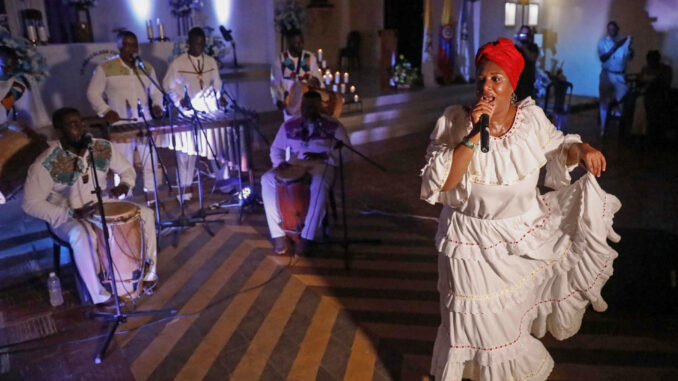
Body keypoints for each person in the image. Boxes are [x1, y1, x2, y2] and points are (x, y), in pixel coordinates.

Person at [421, 38, 620, 381]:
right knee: (474, 330)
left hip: (517, 242)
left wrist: (583, 149)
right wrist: (471, 136)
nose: (487, 86)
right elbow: (444, 183)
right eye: (482, 79)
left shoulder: (530, 121)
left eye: (496, 79)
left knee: (506, 330)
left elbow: (561, 148)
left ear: (512, 85)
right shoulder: (455, 122)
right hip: (468, 246)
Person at [22, 107, 158, 306]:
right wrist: (70, 212)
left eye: (82, 122)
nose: (81, 127)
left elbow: (127, 170)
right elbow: (30, 204)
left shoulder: (101, 148)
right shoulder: (46, 162)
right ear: (59, 130)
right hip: (66, 215)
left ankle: (148, 275)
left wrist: (124, 185)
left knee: (145, 214)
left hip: (101, 203)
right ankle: (99, 295)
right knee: (82, 235)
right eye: (73, 124)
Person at [262, 91, 349, 256]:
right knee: (267, 179)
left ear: (320, 107)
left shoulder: (333, 125)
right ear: (301, 106)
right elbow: (276, 149)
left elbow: (346, 152)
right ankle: (278, 234)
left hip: (323, 163)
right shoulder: (290, 125)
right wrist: (280, 164)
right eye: (306, 106)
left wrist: (326, 155)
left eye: (313, 106)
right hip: (296, 163)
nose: (308, 110)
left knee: (319, 182)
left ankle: (307, 237)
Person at [86, 31, 164, 201]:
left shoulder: (146, 67)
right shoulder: (105, 68)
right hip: (120, 125)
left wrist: (158, 105)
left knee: (150, 164)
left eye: (134, 44)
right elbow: (93, 93)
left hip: (145, 123)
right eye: (127, 44)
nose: (131, 48)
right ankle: (125, 201)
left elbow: (156, 91)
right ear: (119, 46)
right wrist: (105, 111)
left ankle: (152, 199)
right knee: (124, 167)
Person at [163, 26, 227, 200]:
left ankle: (224, 182)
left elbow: (217, 84)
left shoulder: (211, 62)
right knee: (186, 153)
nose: (199, 47)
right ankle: (185, 190)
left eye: (202, 43)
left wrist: (219, 97)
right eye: (196, 43)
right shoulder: (178, 63)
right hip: (188, 113)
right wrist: (180, 101)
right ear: (189, 43)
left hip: (209, 112)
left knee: (218, 146)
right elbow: (168, 87)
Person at [270, 29, 323, 121]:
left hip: (309, 105)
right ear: (289, 44)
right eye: (297, 43)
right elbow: (275, 85)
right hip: (291, 105)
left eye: (302, 42)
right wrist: (278, 100)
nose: (300, 45)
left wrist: (316, 81)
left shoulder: (309, 58)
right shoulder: (280, 60)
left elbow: (318, 79)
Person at [0, 45, 50, 132]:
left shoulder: (17, 88)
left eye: (12, 67)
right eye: (5, 67)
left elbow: (24, 117)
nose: (9, 72)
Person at [598, 21, 633, 136]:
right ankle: (603, 128)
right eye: (609, 29)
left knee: (622, 99)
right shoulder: (603, 42)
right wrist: (614, 48)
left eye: (614, 29)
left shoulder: (624, 41)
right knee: (604, 101)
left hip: (619, 75)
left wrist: (629, 47)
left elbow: (630, 57)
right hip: (607, 73)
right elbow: (602, 58)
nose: (611, 31)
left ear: (617, 29)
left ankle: (622, 129)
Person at [639, 50, 673, 141]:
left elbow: (666, 83)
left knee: (655, 117)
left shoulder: (665, 70)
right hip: (648, 95)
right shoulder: (646, 68)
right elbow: (640, 80)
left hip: (659, 96)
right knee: (650, 117)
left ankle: (653, 137)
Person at [514, 25, 539, 101]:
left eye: (525, 34)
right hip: (517, 81)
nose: (523, 37)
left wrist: (523, 47)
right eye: (521, 34)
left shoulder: (533, 47)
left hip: (528, 81)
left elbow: (532, 57)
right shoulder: (516, 47)